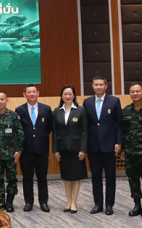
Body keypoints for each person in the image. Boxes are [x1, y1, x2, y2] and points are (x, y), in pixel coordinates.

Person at [83, 75, 122, 216]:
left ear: (106, 86)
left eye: (101, 84)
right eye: (96, 84)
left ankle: (109, 205)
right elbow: (85, 126)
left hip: (109, 145)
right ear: (92, 86)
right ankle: (98, 204)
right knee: (96, 176)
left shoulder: (114, 101)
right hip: (93, 146)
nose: (98, 87)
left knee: (110, 177)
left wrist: (119, 142)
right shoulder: (87, 102)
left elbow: (119, 124)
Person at [15, 84, 53, 212]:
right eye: (29, 92)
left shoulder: (46, 109)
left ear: (38, 93)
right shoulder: (19, 110)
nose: (31, 94)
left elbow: (49, 127)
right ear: (24, 94)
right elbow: (18, 129)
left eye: (33, 92)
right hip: (26, 150)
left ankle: (43, 202)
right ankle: (28, 202)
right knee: (27, 178)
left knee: (42, 177)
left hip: (42, 150)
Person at [0, 92, 24, 212]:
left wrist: (18, 150)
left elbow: (20, 134)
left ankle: (10, 202)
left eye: (2, 99)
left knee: (11, 179)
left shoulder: (13, 116)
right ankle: (1, 201)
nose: (0, 102)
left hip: (11, 154)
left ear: (7, 100)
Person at [52, 85, 88, 214]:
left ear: (74, 95)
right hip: (63, 149)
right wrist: (55, 150)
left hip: (76, 149)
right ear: (62, 96)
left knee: (76, 177)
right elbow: (55, 132)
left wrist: (83, 150)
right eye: (65, 94)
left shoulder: (80, 110)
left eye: (70, 94)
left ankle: (74, 202)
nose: (67, 96)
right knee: (67, 177)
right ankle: (68, 201)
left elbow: (84, 131)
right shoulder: (57, 111)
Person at [121, 83, 142, 217]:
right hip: (131, 152)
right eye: (132, 92)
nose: (135, 94)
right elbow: (123, 131)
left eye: (137, 91)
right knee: (133, 179)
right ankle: (137, 205)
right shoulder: (126, 110)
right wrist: (123, 149)